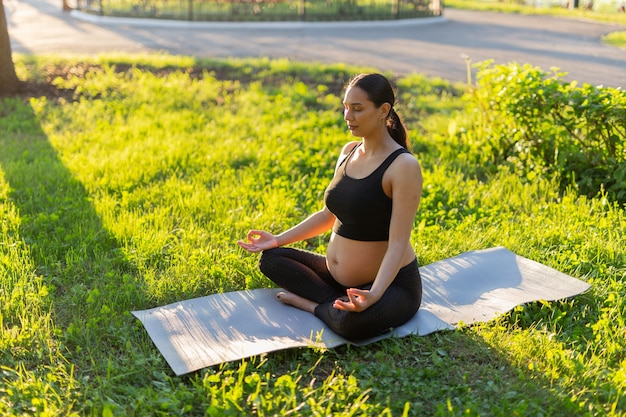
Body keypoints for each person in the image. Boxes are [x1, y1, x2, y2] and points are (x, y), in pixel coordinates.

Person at [237, 73, 423, 341]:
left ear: (383, 111)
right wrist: (277, 240)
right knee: (272, 259)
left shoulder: (403, 166)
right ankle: (334, 303)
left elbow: (397, 243)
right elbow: (328, 216)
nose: (348, 116)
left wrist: (374, 295)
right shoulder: (349, 151)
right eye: (346, 107)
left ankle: (314, 306)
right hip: (337, 279)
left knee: (350, 325)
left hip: (389, 284)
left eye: (358, 109)